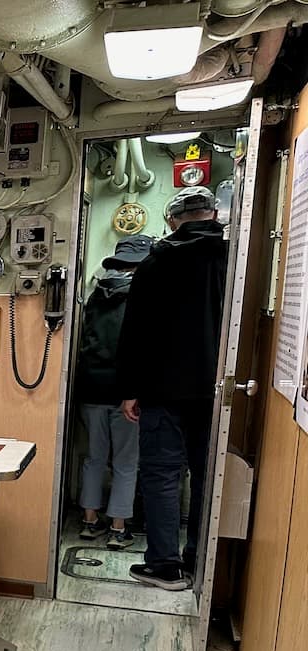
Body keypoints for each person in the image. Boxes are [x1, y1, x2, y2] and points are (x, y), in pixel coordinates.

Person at [116, 186, 228, 590]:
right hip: (218, 390)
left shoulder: (156, 262)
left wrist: (130, 389)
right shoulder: (232, 258)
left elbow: (135, 332)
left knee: (162, 475)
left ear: (172, 219)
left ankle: (165, 567)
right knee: (206, 474)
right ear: (213, 214)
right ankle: (200, 559)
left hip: (162, 388)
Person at [74, 235, 152, 549]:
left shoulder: (95, 295)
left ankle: (89, 521)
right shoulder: (144, 296)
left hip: (91, 387)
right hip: (125, 392)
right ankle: (119, 528)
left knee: (93, 458)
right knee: (125, 461)